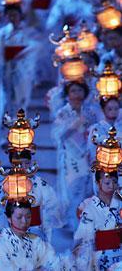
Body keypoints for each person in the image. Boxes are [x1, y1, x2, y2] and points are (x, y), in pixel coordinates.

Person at [52, 81, 98, 229]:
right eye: (73, 91)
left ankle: (84, 221)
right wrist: (75, 124)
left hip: (88, 156)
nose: (77, 94)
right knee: (72, 189)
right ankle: (73, 223)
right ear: (68, 94)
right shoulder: (63, 113)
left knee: (86, 190)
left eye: (80, 90)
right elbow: (57, 135)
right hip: (70, 156)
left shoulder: (90, 112)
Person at [0, 150, 64, 242]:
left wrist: (49, 220)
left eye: (27, 163)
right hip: (11, 232)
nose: (24, 167)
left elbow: (52, 203)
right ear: (12, 163)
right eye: (19, 163)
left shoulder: (39, 183)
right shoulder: (4, 185)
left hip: (35, 230)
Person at [0, 4, 40, 138]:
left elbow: (36, 46)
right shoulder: (2, 32)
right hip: (6, 68)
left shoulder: (28, 31)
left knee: (22, 100)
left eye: (15, 14)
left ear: (20, 15)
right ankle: (3, 135)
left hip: (23, 69)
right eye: (9, 15)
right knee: (5, 101)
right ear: (6, 17)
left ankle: (21, 133)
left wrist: (23, 54)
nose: (12, 17)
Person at [0, 200, 67, 271]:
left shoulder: (36, 240)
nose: (24, 221)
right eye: (19, 217)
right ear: (9, 218)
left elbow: (52, 260)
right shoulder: (0, 245)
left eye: (28, 217)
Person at [74, 171, 121, 271]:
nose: (112, 186)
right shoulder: (90, 208)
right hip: (101, 258)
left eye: (115, 182)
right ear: (98, 183)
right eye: (107, 183)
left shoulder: (119, 203)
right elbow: (83, 240)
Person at [87, 97, 122, 162]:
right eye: (110, 109)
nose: (113, 111)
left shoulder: (120, 127)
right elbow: (92, 150)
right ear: (103, 110)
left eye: (116, 109)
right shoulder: (96, 128)